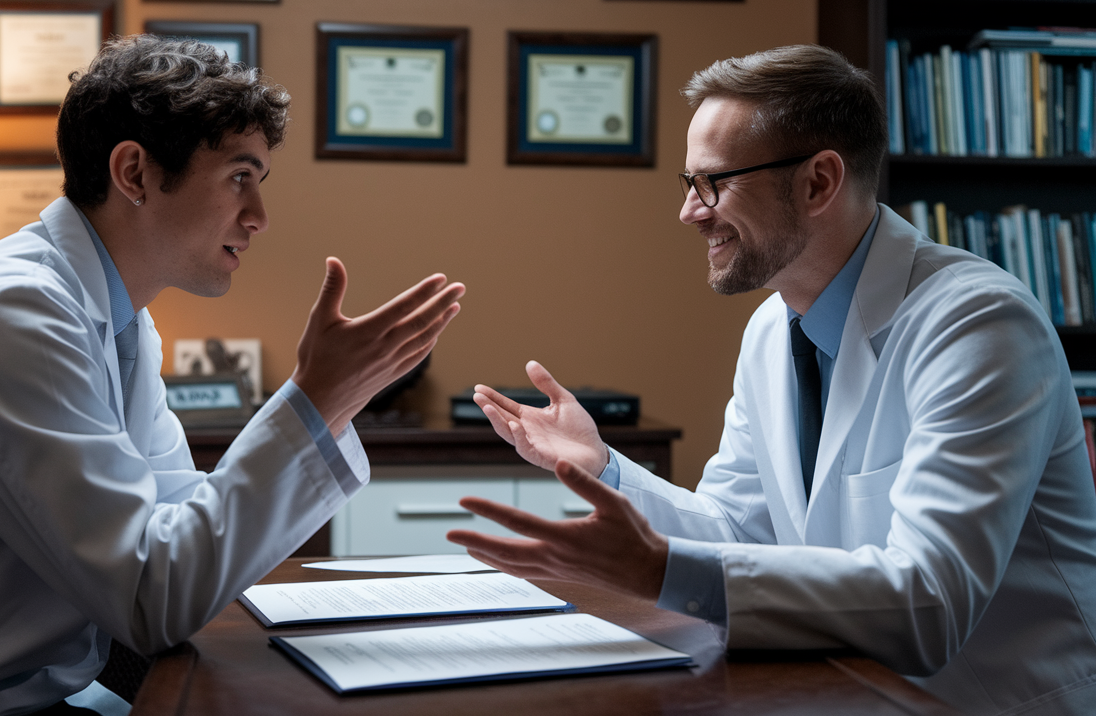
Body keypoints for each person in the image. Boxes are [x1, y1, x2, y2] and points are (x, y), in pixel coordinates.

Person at [0, 35, 465, 716]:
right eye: (239, 177)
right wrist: (315, 400)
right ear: (134, 173)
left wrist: (329, 405)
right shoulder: (13, 314)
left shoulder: (119, 321)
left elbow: (179, 531)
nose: (260, 218)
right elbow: (153, 597)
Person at [447, 45, 1096, 715]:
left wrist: (661, 569)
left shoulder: (978, 323)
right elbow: (737, 532)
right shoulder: (772, 325)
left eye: (715, 182)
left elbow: (928, 600)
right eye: (688, 184)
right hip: (848, 692)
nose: (690, 213)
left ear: (819, 182)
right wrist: (605, 469)